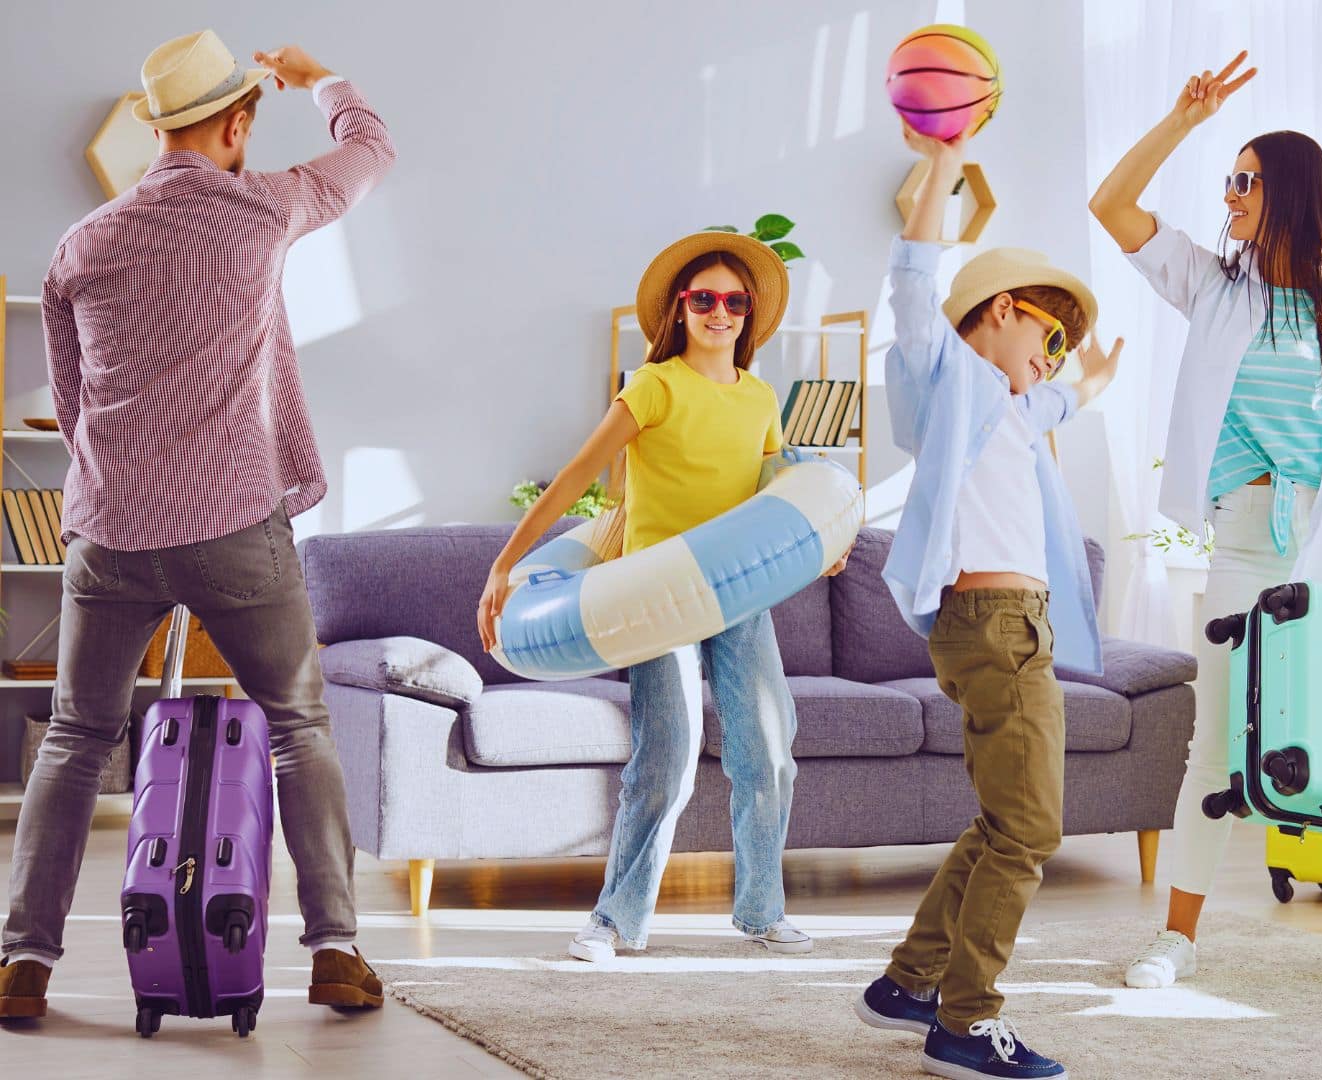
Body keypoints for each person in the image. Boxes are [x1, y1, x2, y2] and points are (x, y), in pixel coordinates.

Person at [0, 32, 395, 1018]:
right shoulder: (265, 207)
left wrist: (118, 493)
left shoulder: (81, 244)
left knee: (77, 738)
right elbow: (371, 147)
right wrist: (319, 82)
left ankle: (23, 963)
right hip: (233, 530)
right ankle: (337, 950)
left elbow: (73, 398)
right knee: (300, 726)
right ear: (235, 124)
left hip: (109, 534)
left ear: (157, 128)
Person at [1089, 50, 1322, 995]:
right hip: (1242, 535)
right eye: (1227, 178)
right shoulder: (1216, 285)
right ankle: (1179, 940)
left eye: (1245, 180)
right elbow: (1110, 207)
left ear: (1287, 191)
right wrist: (1182, 122)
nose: (1230, 195)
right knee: (1217, 741)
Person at [477, 231, 848, 964]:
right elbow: (577, 475)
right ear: (680, 309)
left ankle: (762, 912)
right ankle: (615, 920)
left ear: (749, 315)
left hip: (738, 596)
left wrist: (826, 539)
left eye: (734, 301)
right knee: (667, 756)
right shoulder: (653, 385)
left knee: (770, 753)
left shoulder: (762, 397)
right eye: (704, 298)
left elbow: (774, 492)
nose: (721, 312)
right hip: (655, 598)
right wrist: (503, 566)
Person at [853, 119, 1121, 1080]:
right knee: (1032, 830)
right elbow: (916, 280)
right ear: (1001, 311)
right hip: (995, 628)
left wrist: (1081, 386)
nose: (1052, 356)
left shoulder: (1007, 408)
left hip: (1012, 630)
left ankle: (908, 983)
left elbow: (1045, 404)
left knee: (1005, 820)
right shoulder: (948, 378)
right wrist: (943, 163)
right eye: (1047, 335)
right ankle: (966, 1024)